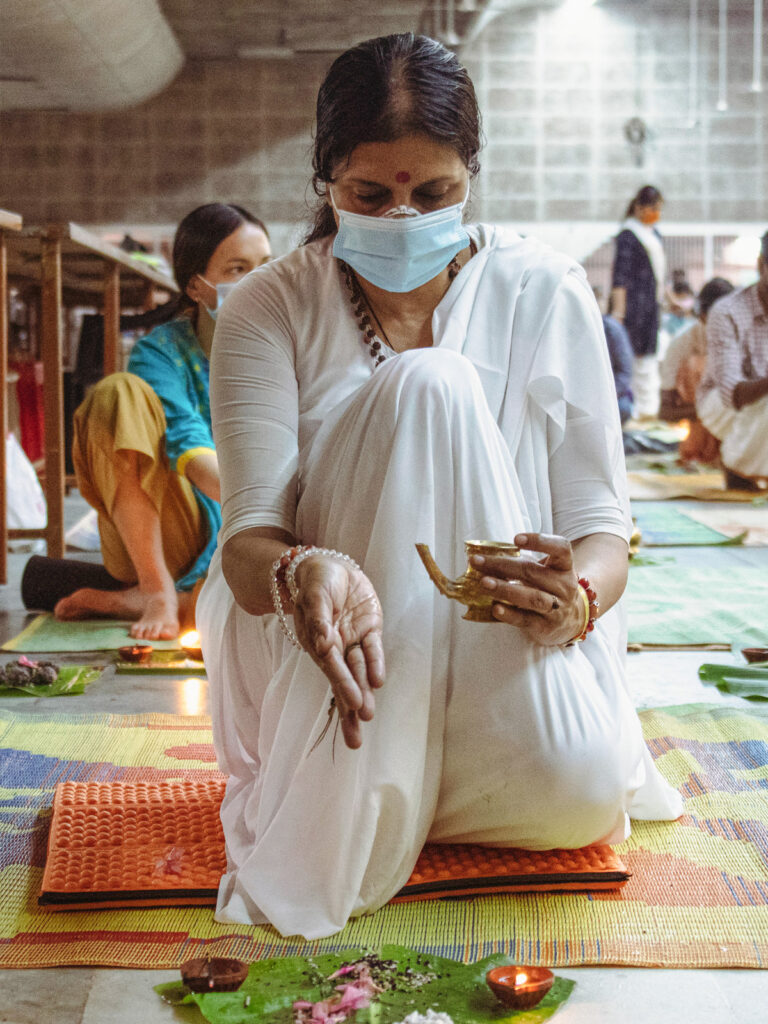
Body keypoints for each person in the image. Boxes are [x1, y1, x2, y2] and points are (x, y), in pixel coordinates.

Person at [197, 33, 682, 940]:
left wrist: (574, 599)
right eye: (369, 196)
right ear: (324, 182)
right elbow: (248, 542)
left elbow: (600, 529)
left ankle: (422, 787)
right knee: (432, 385)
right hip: (337, 665)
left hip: (499, 642)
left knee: (578, 801)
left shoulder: (544, 289)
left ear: (472, 175)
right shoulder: (267, 305)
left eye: (435, 194)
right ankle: (373, 778)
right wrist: (302, 572)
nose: (404, 216)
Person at [53, 204, 272, 639]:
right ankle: (155, 590)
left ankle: (144, 601)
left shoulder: (282, 349)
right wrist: (260, 514)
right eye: (237, 269)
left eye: (265, 267)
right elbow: (188, 447)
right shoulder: (160, 353)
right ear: (196, 286)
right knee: (117, 394)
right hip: (181, 524)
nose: (258, 282)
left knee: (250, 614)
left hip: (249, 521)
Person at [696, 232, 768, 490]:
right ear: (762, 265)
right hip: (721, 407)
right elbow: (732, 395)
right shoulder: (726, 312)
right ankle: (739, 468)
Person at [659, 276, 734, 463]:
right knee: (697, 365)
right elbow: (665, 412)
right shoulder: (681, 346)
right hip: (702, 443)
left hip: (741, 434)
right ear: (702, 316)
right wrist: (713, 409)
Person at [610, 185, 666, 418]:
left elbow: (659, 274)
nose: (657, 213)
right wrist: (619, 314)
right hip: (633, 309)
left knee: (649, 357)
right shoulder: (628, 235)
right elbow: (620, 277)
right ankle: (635, 411)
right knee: (633, 358)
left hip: (651, 307)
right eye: (654, 208)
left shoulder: (654, 234)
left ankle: (648, 411)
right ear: (640, 207)